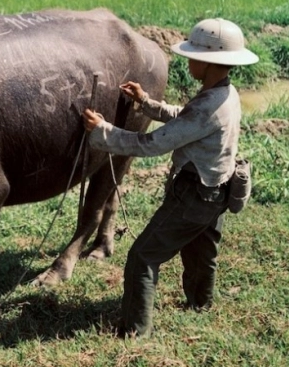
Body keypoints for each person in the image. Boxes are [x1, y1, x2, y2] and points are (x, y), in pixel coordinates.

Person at [82, 18, 258, 339]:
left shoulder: (207, 106)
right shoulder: (223, 94)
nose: (188, 61)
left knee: (142, 257)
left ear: (210, 61)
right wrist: (146, 103)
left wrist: (102, 132)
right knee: (201, 254)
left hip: (193, 196)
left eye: (193, 56)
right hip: (216, 192)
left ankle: (135, 331)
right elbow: (186, 117)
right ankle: (200, 305)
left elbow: (153, 143)